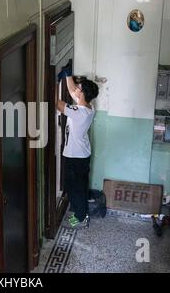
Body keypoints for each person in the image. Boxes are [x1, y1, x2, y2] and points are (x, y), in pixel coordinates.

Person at [56, 65, 99, 229]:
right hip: (81, 154)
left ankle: (81, 217)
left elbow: (57, 104)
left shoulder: (78, 111)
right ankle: (82, 212)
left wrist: (54, 82)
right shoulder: (88, 107)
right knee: (78, 186)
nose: (76, 89)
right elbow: (73, 90)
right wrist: (67, 76)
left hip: (75, 156)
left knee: (75, 188)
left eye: (79, 88)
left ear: (82, 94)